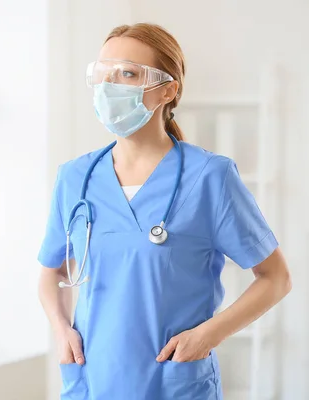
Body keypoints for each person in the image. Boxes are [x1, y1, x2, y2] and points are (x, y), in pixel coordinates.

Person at [37, 23, 292, 400]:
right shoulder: (75, 178)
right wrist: (62, 331)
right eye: (104, 73)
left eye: (127, 73)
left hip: (174, 382)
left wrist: (206, 336)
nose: (111, 86)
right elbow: (51, 271)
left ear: (167, 90)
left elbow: (275, 278)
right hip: (92, 381)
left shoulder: (209, 178)